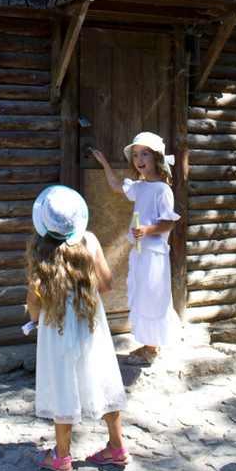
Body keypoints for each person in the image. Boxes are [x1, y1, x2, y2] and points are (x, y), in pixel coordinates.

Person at [26, 184, 130, 471]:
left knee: (62, 380)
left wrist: (35, 319)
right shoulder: (90, 240)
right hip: (90, 319)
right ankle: (117, 447)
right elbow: (107, 284)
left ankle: (61, 456)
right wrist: (83, 298)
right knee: (102, 374)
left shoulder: (40, 248)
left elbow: (34, 300)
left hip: (56, 324)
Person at [93, 132, 181, 366]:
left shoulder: (162, 190)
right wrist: (104, 162)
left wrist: (146, 229)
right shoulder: (140, 187)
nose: (139, 159)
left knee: (153, 297)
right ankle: (151, 345)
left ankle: (151, 350)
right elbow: (115, 185)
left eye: (145, 154)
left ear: (156, 158)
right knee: (144, 295)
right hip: (141, 252)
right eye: (135, 155)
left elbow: (168, 223)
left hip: (154, 254)